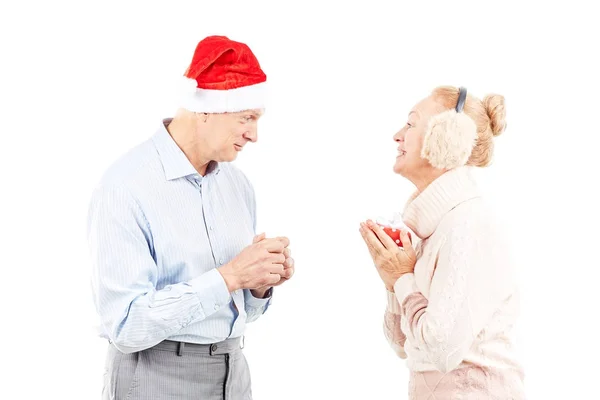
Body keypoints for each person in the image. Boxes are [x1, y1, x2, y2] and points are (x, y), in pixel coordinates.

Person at [86, 35, 295, 400]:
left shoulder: (238, 185)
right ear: (204, 110)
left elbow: (240, 310)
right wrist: (230, 276)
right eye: (247, 117)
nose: (254, 135)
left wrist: (259, 284)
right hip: (156, 376)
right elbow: (125, 325)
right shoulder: (125, 186)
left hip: (233, 371)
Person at [359, 86, 525, 399]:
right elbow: (402, 346)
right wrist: (392, 281)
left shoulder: (469, 226)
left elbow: (442, 349)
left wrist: (403, 279)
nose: (397, 135)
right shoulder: (430, 229)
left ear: (447, 137)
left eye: (410, 124)